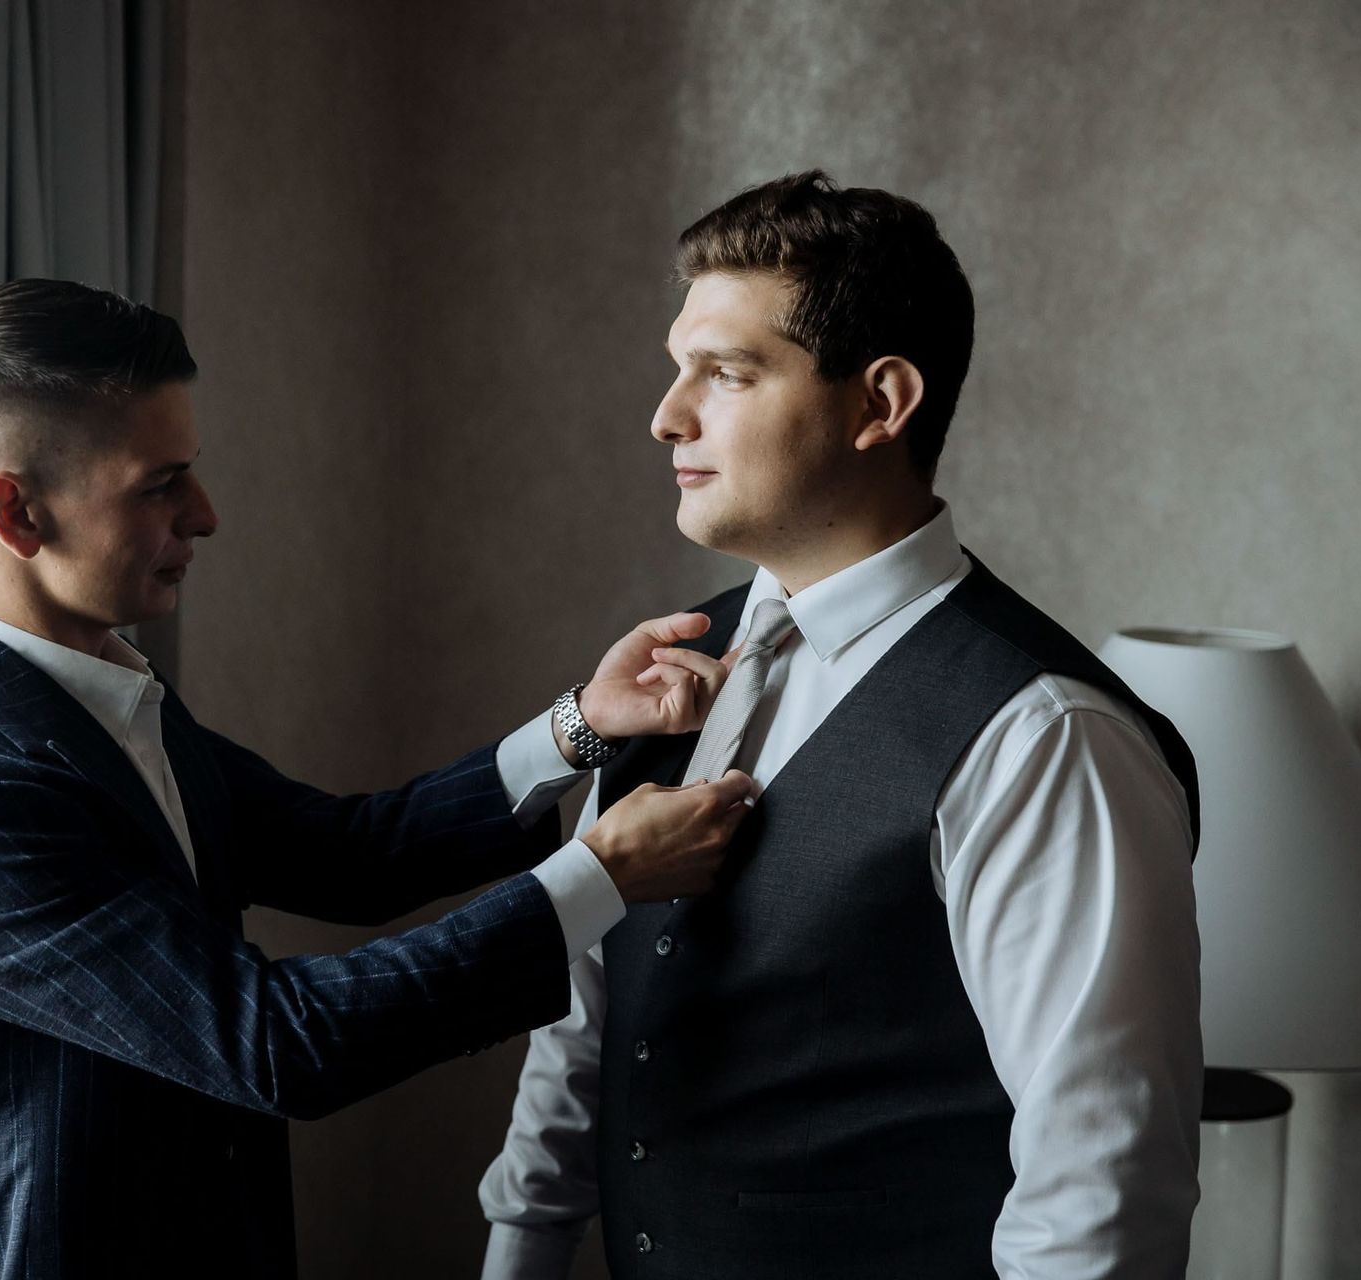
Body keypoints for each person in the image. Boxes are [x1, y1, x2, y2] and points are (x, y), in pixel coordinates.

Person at [0, 278, 755, 1279]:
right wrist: (602, 875)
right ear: (16, 510)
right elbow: (279, 1041)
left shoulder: (104, 697)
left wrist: (579, 726)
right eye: (160, 483)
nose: (208, 513)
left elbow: (351, 852)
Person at [478, 171, 1205, 1279]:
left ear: (881, 403)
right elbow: (580, 1032)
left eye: (725, 372)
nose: (667, 415)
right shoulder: (668, 666)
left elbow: (1099, 1187)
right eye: (680, 368)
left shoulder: (1046, 737)